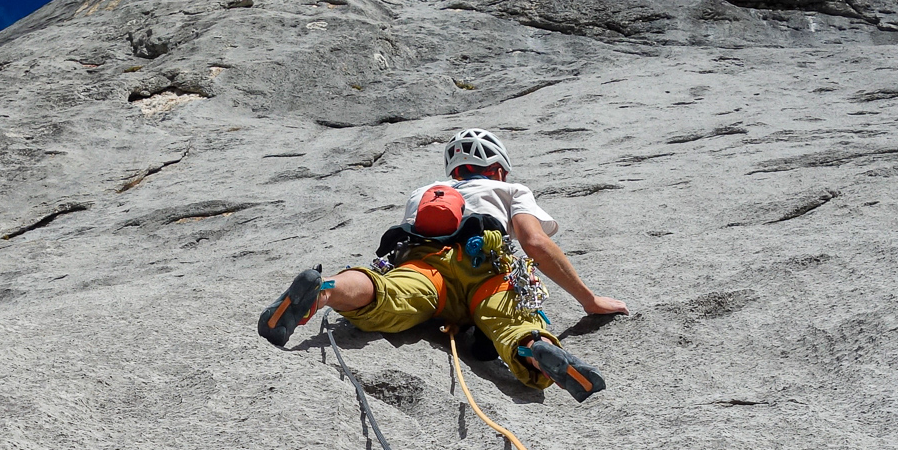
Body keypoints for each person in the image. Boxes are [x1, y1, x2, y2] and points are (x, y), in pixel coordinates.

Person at [258, 129, 629, 402]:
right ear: (498, 169)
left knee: (385, 294)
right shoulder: (509, 190)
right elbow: (534, 242)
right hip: (486, 270)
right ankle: (533, 349)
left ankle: (324, 290)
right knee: (513, 323)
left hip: (425, 268)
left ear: (455, 172)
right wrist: (589, 299)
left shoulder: (425, 194)